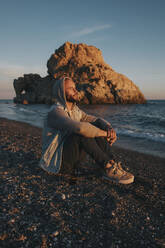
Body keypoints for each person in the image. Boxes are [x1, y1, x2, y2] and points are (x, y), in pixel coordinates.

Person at [39, 77, 134, 184]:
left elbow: (96, 120)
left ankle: (111, 164)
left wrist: (109, 128)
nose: (75, 91)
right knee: (81, 133)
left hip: (71, 159)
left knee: (95, 127)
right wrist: (105, 134)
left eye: (75, 88)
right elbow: (80, 128)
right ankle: (108, 167)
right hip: (55, 163)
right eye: (70, 88)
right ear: (61, 92)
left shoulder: (75, 111)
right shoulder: (55, 112)